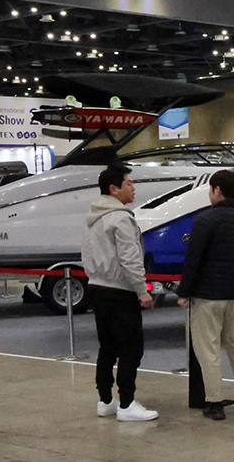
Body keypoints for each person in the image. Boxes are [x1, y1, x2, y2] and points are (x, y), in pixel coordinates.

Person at [177, 169, 234, 420]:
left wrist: (184, 292)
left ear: (216, 190)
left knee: (209, 350)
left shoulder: (206, 219)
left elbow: (194, 259)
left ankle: (214, 403)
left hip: (207, 295)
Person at [82, 163, 158, 422]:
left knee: (107, 347)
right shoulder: (121, 217)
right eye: (129, 183)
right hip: (120, 291)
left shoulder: (94, 216)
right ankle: (127, 404)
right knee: (131, 349)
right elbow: (130, 257)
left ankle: (105, 400)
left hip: (97, 286)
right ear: (114, 189)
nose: (133, 187)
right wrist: (142, 290)